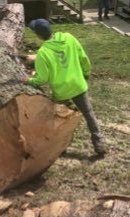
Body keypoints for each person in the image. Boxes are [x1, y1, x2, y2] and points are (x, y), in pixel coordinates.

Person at [24, 19, 106, 156]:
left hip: (61, 92)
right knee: (89, 114)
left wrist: (29, 81)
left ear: (38, 35)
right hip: (78, 85)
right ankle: (99, 144)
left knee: (59, 119)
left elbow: (42, 79)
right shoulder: (69, 37)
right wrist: (85, 74)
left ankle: (61, 147)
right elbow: (83, 58)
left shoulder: (43, 52)